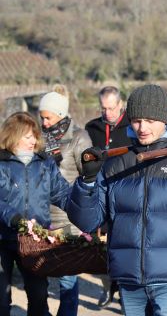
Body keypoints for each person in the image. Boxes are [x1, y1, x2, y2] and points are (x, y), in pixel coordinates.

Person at [67, 84, 167, 316]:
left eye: (151, 120)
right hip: (130, 280)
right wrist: (87, 179)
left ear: (165, 119)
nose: (143, 128)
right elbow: (87, 221)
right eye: (137, 120)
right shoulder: (116, 166)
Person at [0, 112, 71, 315]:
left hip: (35, 241)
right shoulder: (1, 163)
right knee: (1, 302)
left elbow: (63, 194)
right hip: (3, 239)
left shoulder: (45, 164)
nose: (33, 141)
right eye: (27, 136)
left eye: (34, 136)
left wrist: (86, 205)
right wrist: (12, 217)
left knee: (39, 298)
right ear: (13, 135)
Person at [39, 89, 92, 316]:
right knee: (38, 271)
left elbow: (88, 175)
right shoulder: (40, 138)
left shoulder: (79, 137)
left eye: (48, 117)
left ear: (60, 114)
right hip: (40, 215)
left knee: (67, 276)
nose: (43, 122)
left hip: (68, 216)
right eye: (41, 117)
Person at [84, 85, 132, 308]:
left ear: (120, 105)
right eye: (103, 108)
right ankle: (107, 288)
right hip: (100, 195)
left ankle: (124, 292)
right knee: (102, 248)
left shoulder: (133, 126)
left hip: (126, 193)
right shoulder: (91, 128)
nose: (107, 113)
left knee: (124, 245)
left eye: (111, 108)